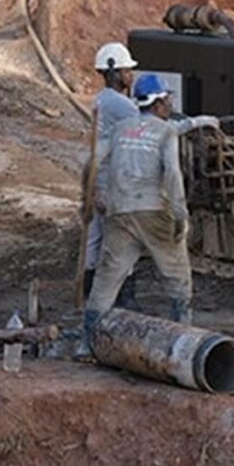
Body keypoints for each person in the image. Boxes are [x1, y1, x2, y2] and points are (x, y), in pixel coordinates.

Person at [80, 74, 216, 353]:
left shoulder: (120, 129)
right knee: (178, 280)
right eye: (167, 100)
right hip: (155, 212)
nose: (169, 105)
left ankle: (87, 344)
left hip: (119, 213)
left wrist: (91, 196)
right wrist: (180, 215)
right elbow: (173, 174)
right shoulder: (165, 132)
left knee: (105, 282)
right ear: (157, 103)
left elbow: (91, 162)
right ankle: (183, 344)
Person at [84, 42, 140, 308]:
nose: (130, 75)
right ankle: (123, 297)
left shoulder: (100, 100)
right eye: (126, 71)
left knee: (94, 238)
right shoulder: (123, 106)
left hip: (98, 177)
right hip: (115, 181)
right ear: (113, 73)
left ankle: (90, 292)